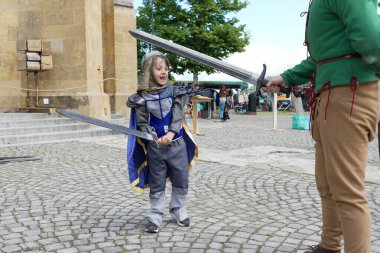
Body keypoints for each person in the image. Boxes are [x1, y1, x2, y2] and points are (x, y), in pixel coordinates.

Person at [264, 1, 380, 252]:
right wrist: (286, 77)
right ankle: (329, 246)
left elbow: (373, 42)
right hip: (330, 96)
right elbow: (322, 60)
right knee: (327, 184)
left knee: (348, 191)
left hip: (348, 95)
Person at [126, 51, 198, 233]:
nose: (164, 72)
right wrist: (150, 134)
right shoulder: (141, 98)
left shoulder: (175, 92)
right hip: (156, 147)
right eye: (159, 69)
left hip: (177, 144)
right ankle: (155, 214)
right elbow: (142, 123)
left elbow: (178, 115)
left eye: (166, 68)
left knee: (181, 177)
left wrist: (171, 134)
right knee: (156, 180)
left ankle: (178, 209)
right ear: (149, 72)